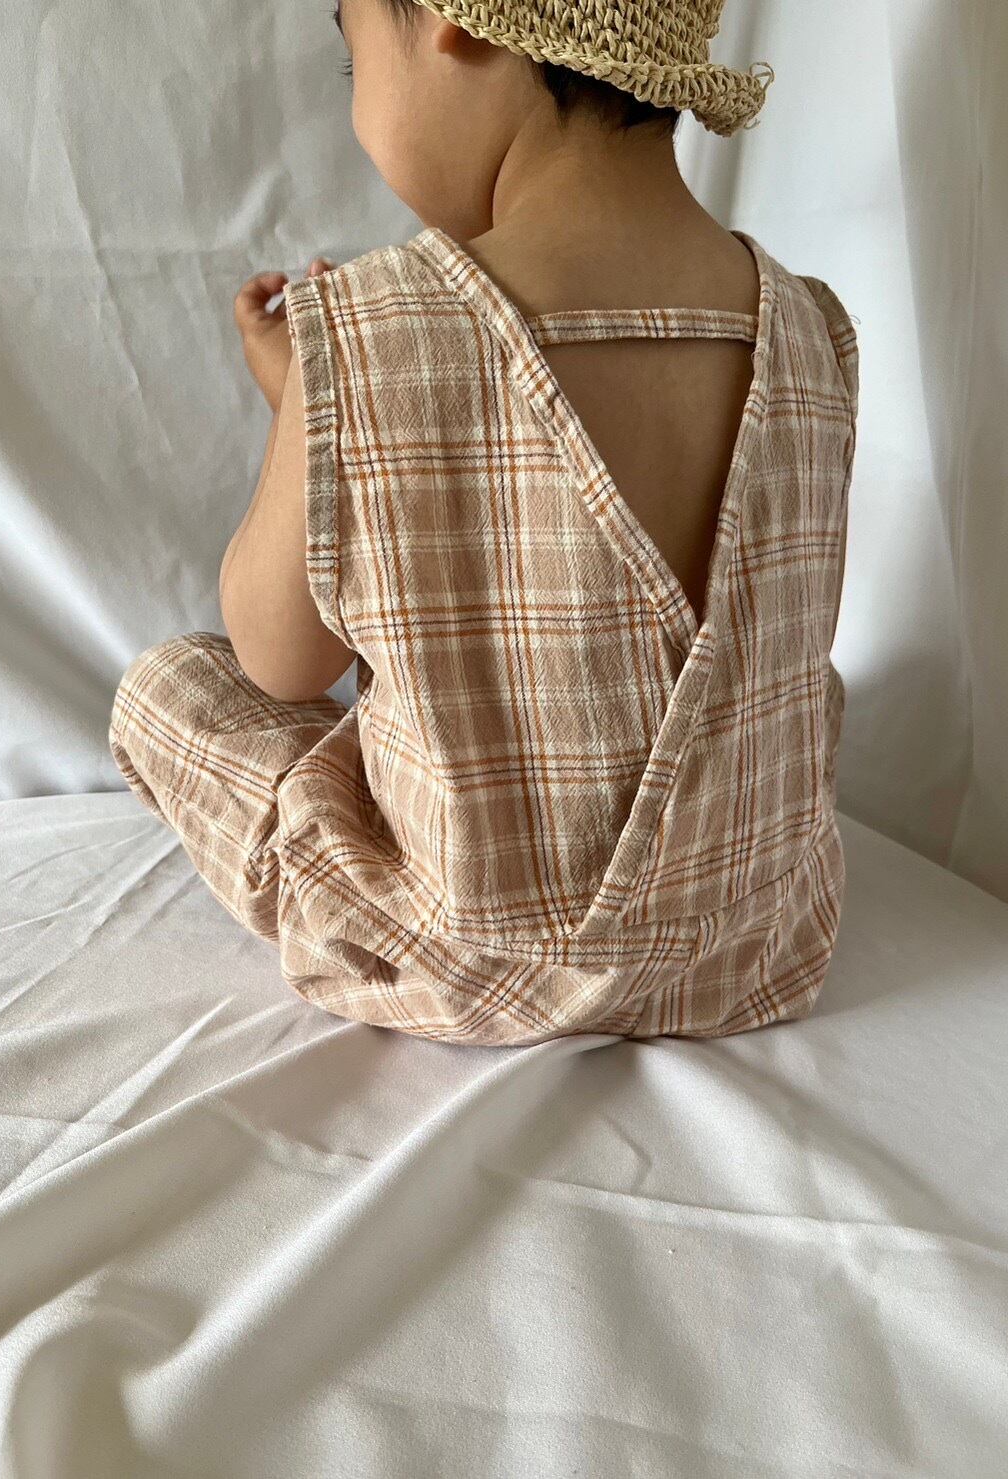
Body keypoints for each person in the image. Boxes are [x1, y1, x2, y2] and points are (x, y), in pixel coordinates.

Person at [108, 0, 860, 1046]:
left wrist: (307, 413)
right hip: (747, 947)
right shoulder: (813, 327)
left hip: (460, 964)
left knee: (174, 686)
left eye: (354, 65)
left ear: (459, 27)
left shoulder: (366, 329)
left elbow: (279, 660)